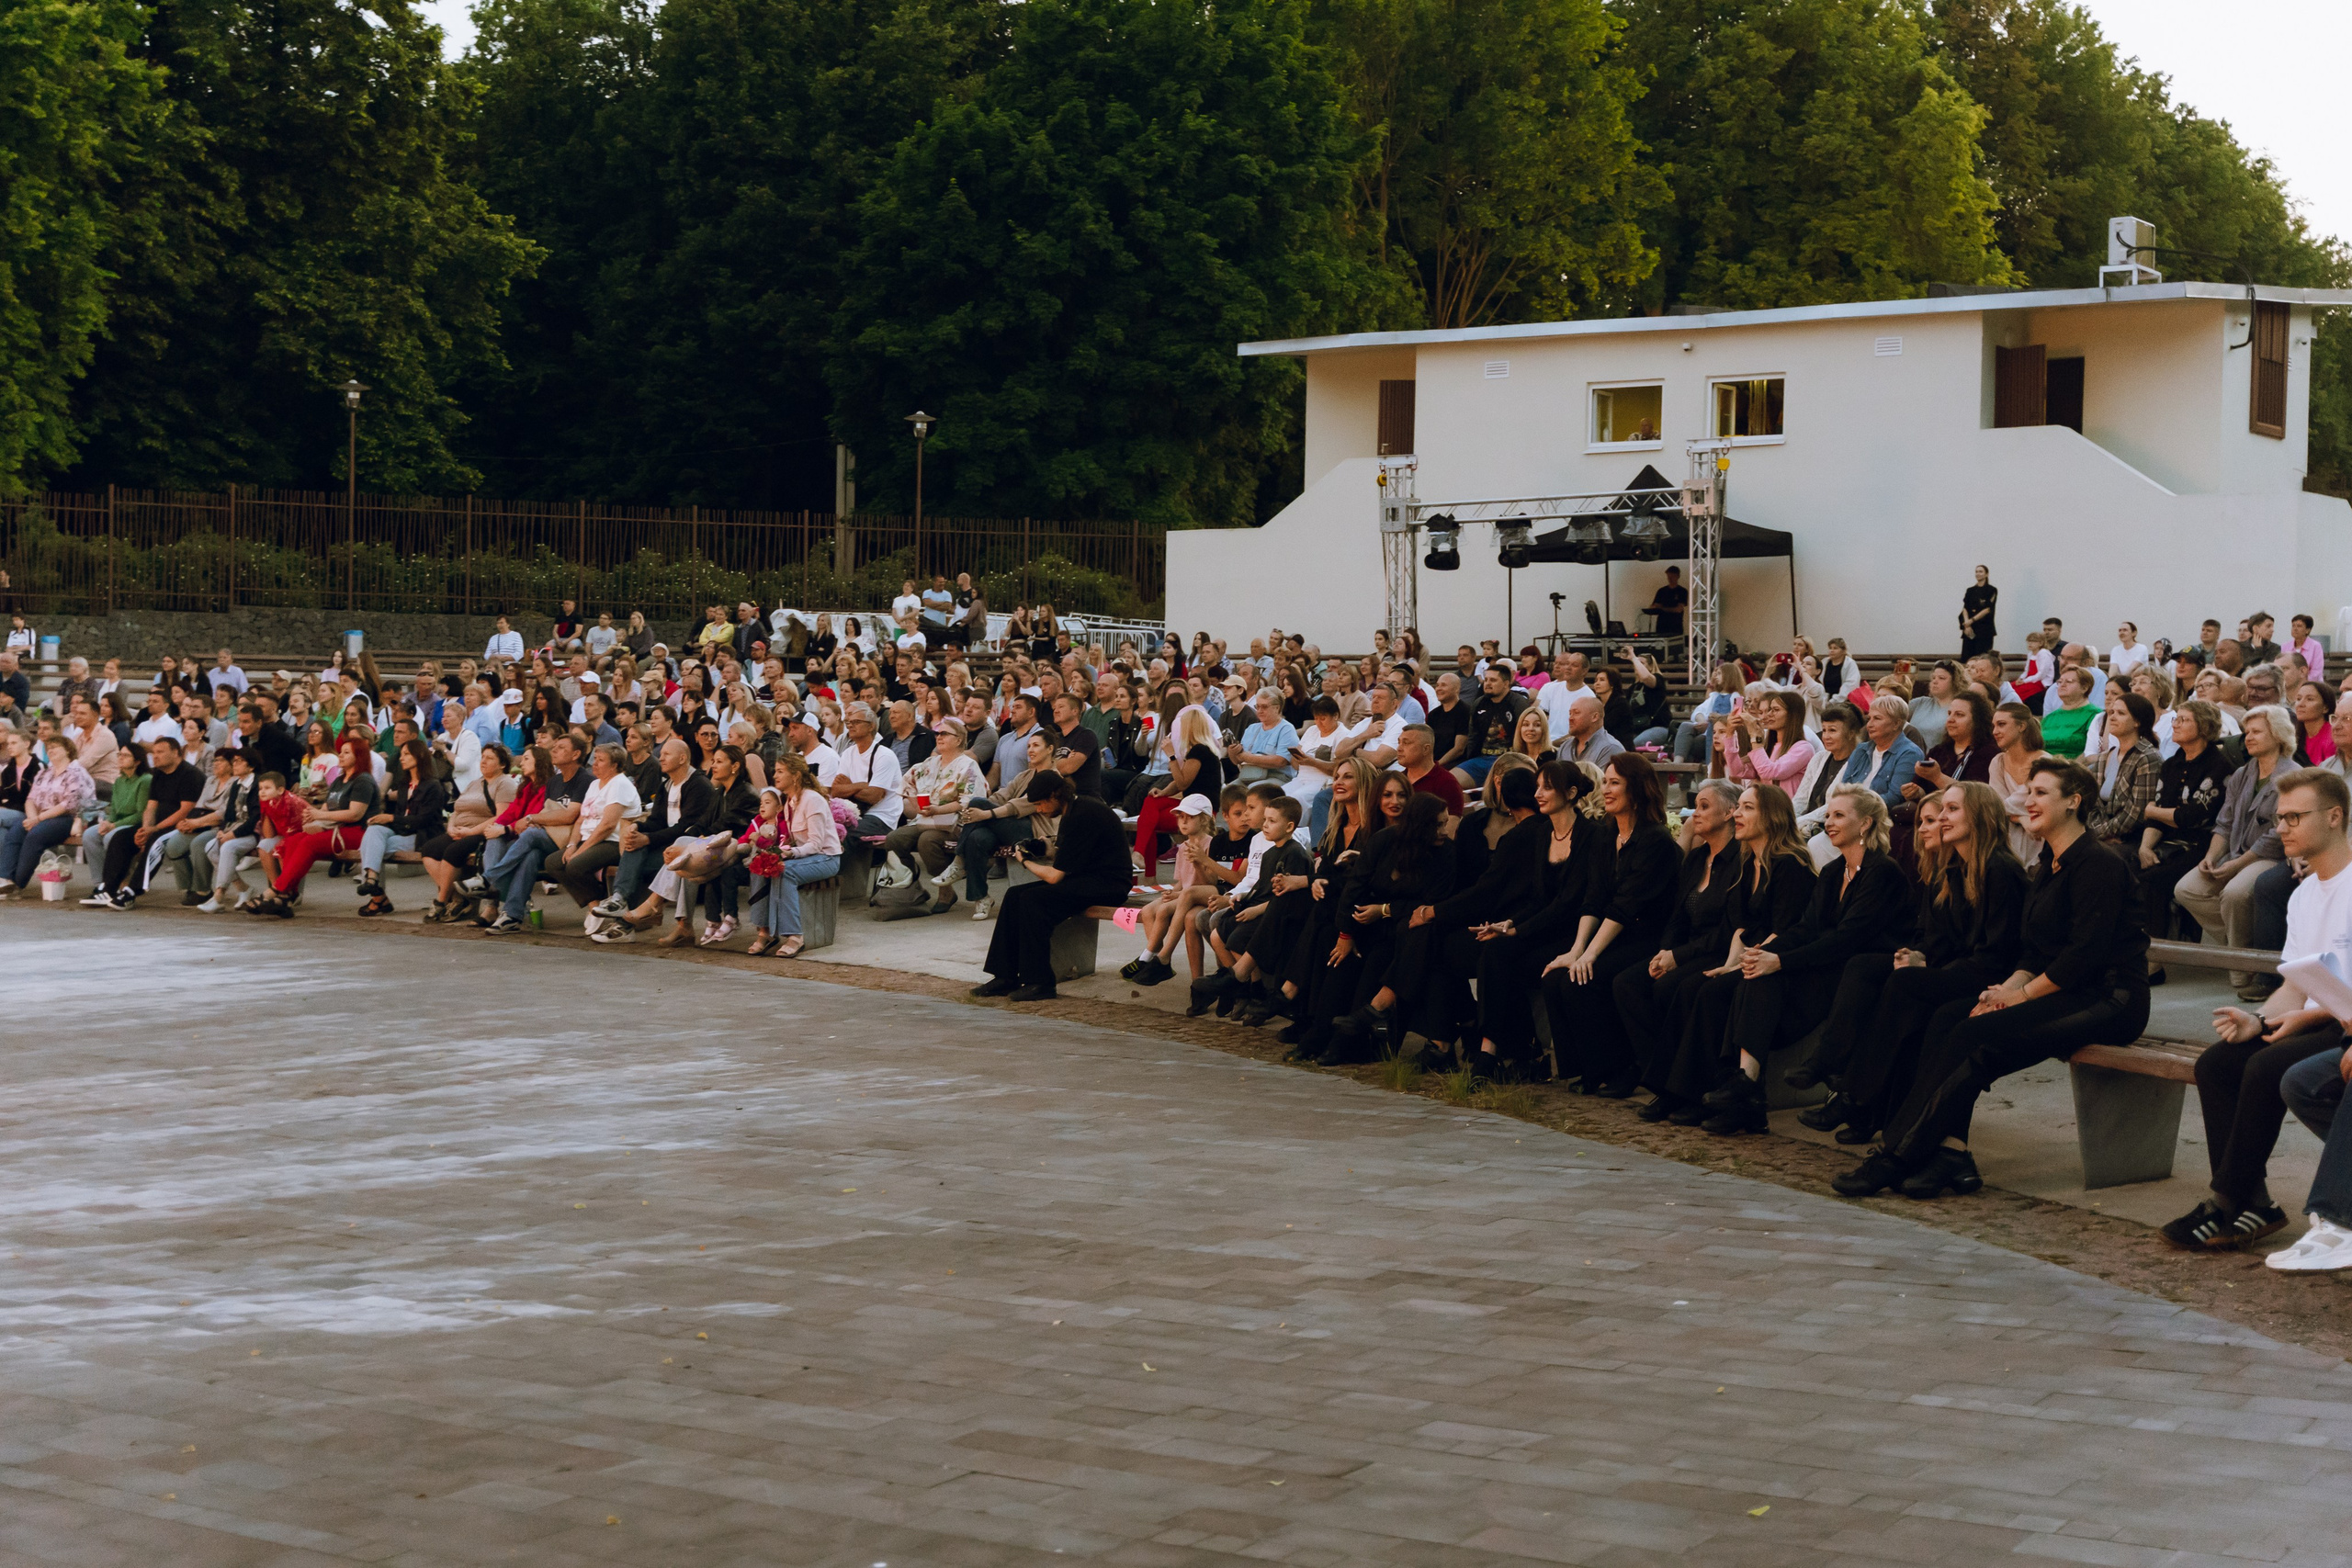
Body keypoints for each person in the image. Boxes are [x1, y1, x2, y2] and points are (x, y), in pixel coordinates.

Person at [1836, 759, 2150, 1200]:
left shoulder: (2099, 863)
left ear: (2073, 802)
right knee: (1949, 1018)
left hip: (2110, 1000)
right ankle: (1950, 1151)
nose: (2029, 801)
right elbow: (2034, 951)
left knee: (1974, 1036)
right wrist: (2007, 989)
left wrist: (2020, 996)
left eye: (2041, 793)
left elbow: (2084, 956)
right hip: (2065, 990)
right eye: (2030, 792)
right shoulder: (2049, 863)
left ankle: (1898, 1154)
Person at [2157, 767, 2352, 1251]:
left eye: (2293, 817)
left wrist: (2292, 1020)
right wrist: (2258, 1020)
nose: (2281, 827)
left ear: (2334, 817)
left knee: (2267, 1067)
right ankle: (2255, 1200)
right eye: (2278, 817)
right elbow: (2294, 981)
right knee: (2218, 1062)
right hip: (2313, 1017)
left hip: (2341, 1024)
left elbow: (2334, 1000)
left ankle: (2227, 1201)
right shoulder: (2304, 893)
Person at [1541, 752, 1679, 1093]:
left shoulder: (1655, 839)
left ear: (1637, 789)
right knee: (1557, 976)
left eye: (1615, 782)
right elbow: (1595, 898)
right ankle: (1589, 1068)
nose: (1606, 789)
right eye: (1605, 781)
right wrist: (1576, 950)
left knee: (1584, 979)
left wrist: (1590, 955)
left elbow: (1626, 905)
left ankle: (1621, 1069)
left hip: (1649, 937)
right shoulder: (1605, 836)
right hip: (1614, 933)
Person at [971, 772, 1134, 1002]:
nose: (1039, 809)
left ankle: (1040, 982)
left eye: (1040, 803)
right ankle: (1005, 976)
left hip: (1109, 884)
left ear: (1056, 795)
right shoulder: (1073, 810)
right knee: (1014, 894)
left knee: (1033, 901)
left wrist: (1025, 860)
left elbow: (1055, 877)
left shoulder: (1083, 814)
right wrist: (1044, 849)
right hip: (1086, 877)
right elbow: (1065, 860)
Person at [2173, 703, 2291, 990]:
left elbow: (2275, 836)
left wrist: (2237, 865)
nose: (2248, 737)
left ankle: (2241, 970)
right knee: (2187, 889)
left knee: (2235, 893)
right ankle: (2243, 945)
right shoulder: (2241, 774)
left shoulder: (2292, 775)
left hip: (2271, 857)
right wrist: (2211, 858)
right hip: (2235, 850)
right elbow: (2224, 823)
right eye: (2246, 731)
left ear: (2277, 735)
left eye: (2256, 732)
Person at [355, 739, 450, 916]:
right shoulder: (404, 784)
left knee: (371, 847)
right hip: (402, 832)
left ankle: (378, 898)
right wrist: (384, 820)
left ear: (419, 756)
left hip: (423, 836)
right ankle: (373, 880)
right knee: (373, 830)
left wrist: (391, 818)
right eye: (401, 755)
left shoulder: (433, 786)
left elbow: (423, 821)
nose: (401, 758)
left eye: (406, 754)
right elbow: (401, 816)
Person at [2, 735, 93, 893]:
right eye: (48, 748)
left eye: (55, 747)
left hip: (67, 818)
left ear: (67, 750)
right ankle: (4, 878)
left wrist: (37, 819)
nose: (50, 751)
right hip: (41, 817)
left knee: (35, 835)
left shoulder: (75, 772)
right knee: (16, 831)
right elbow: (30, 799)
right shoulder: (45, 773)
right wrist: (31, 818)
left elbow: (68, 804)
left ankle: (17, 883)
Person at [1646, 566, 1688, 637]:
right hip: (1662, 625)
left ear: (1678, 576)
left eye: (1672, 576)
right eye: (1668, 577)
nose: (1670, 579)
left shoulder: (1682, 591)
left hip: (1675, 625)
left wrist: (1662, 608)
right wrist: (1654, 608)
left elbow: (1678, 609)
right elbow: (1653, 606)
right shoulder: (1662, 591)